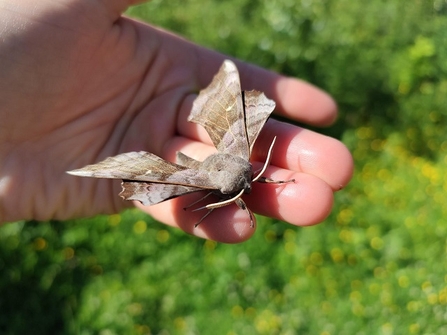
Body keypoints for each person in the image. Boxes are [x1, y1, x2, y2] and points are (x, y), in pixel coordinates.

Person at [0, 0, 353, 243]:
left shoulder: (239, 174)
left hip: (214, 163)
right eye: (246, 186)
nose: (248, 186)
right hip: (207, 165)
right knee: (219, 141)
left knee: (224, 149)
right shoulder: (222, 175)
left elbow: (237, 187)